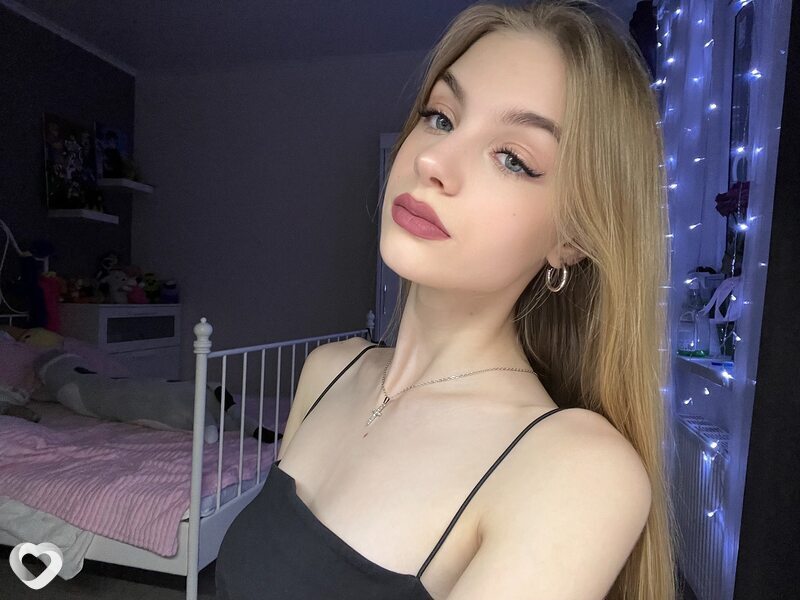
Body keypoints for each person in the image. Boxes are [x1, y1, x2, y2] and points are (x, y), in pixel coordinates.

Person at [215, 1, 676, 598]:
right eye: (440, 117)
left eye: (513, 159)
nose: (432, 160)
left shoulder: (576, 468)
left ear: (571, 238)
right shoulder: (329, 371)